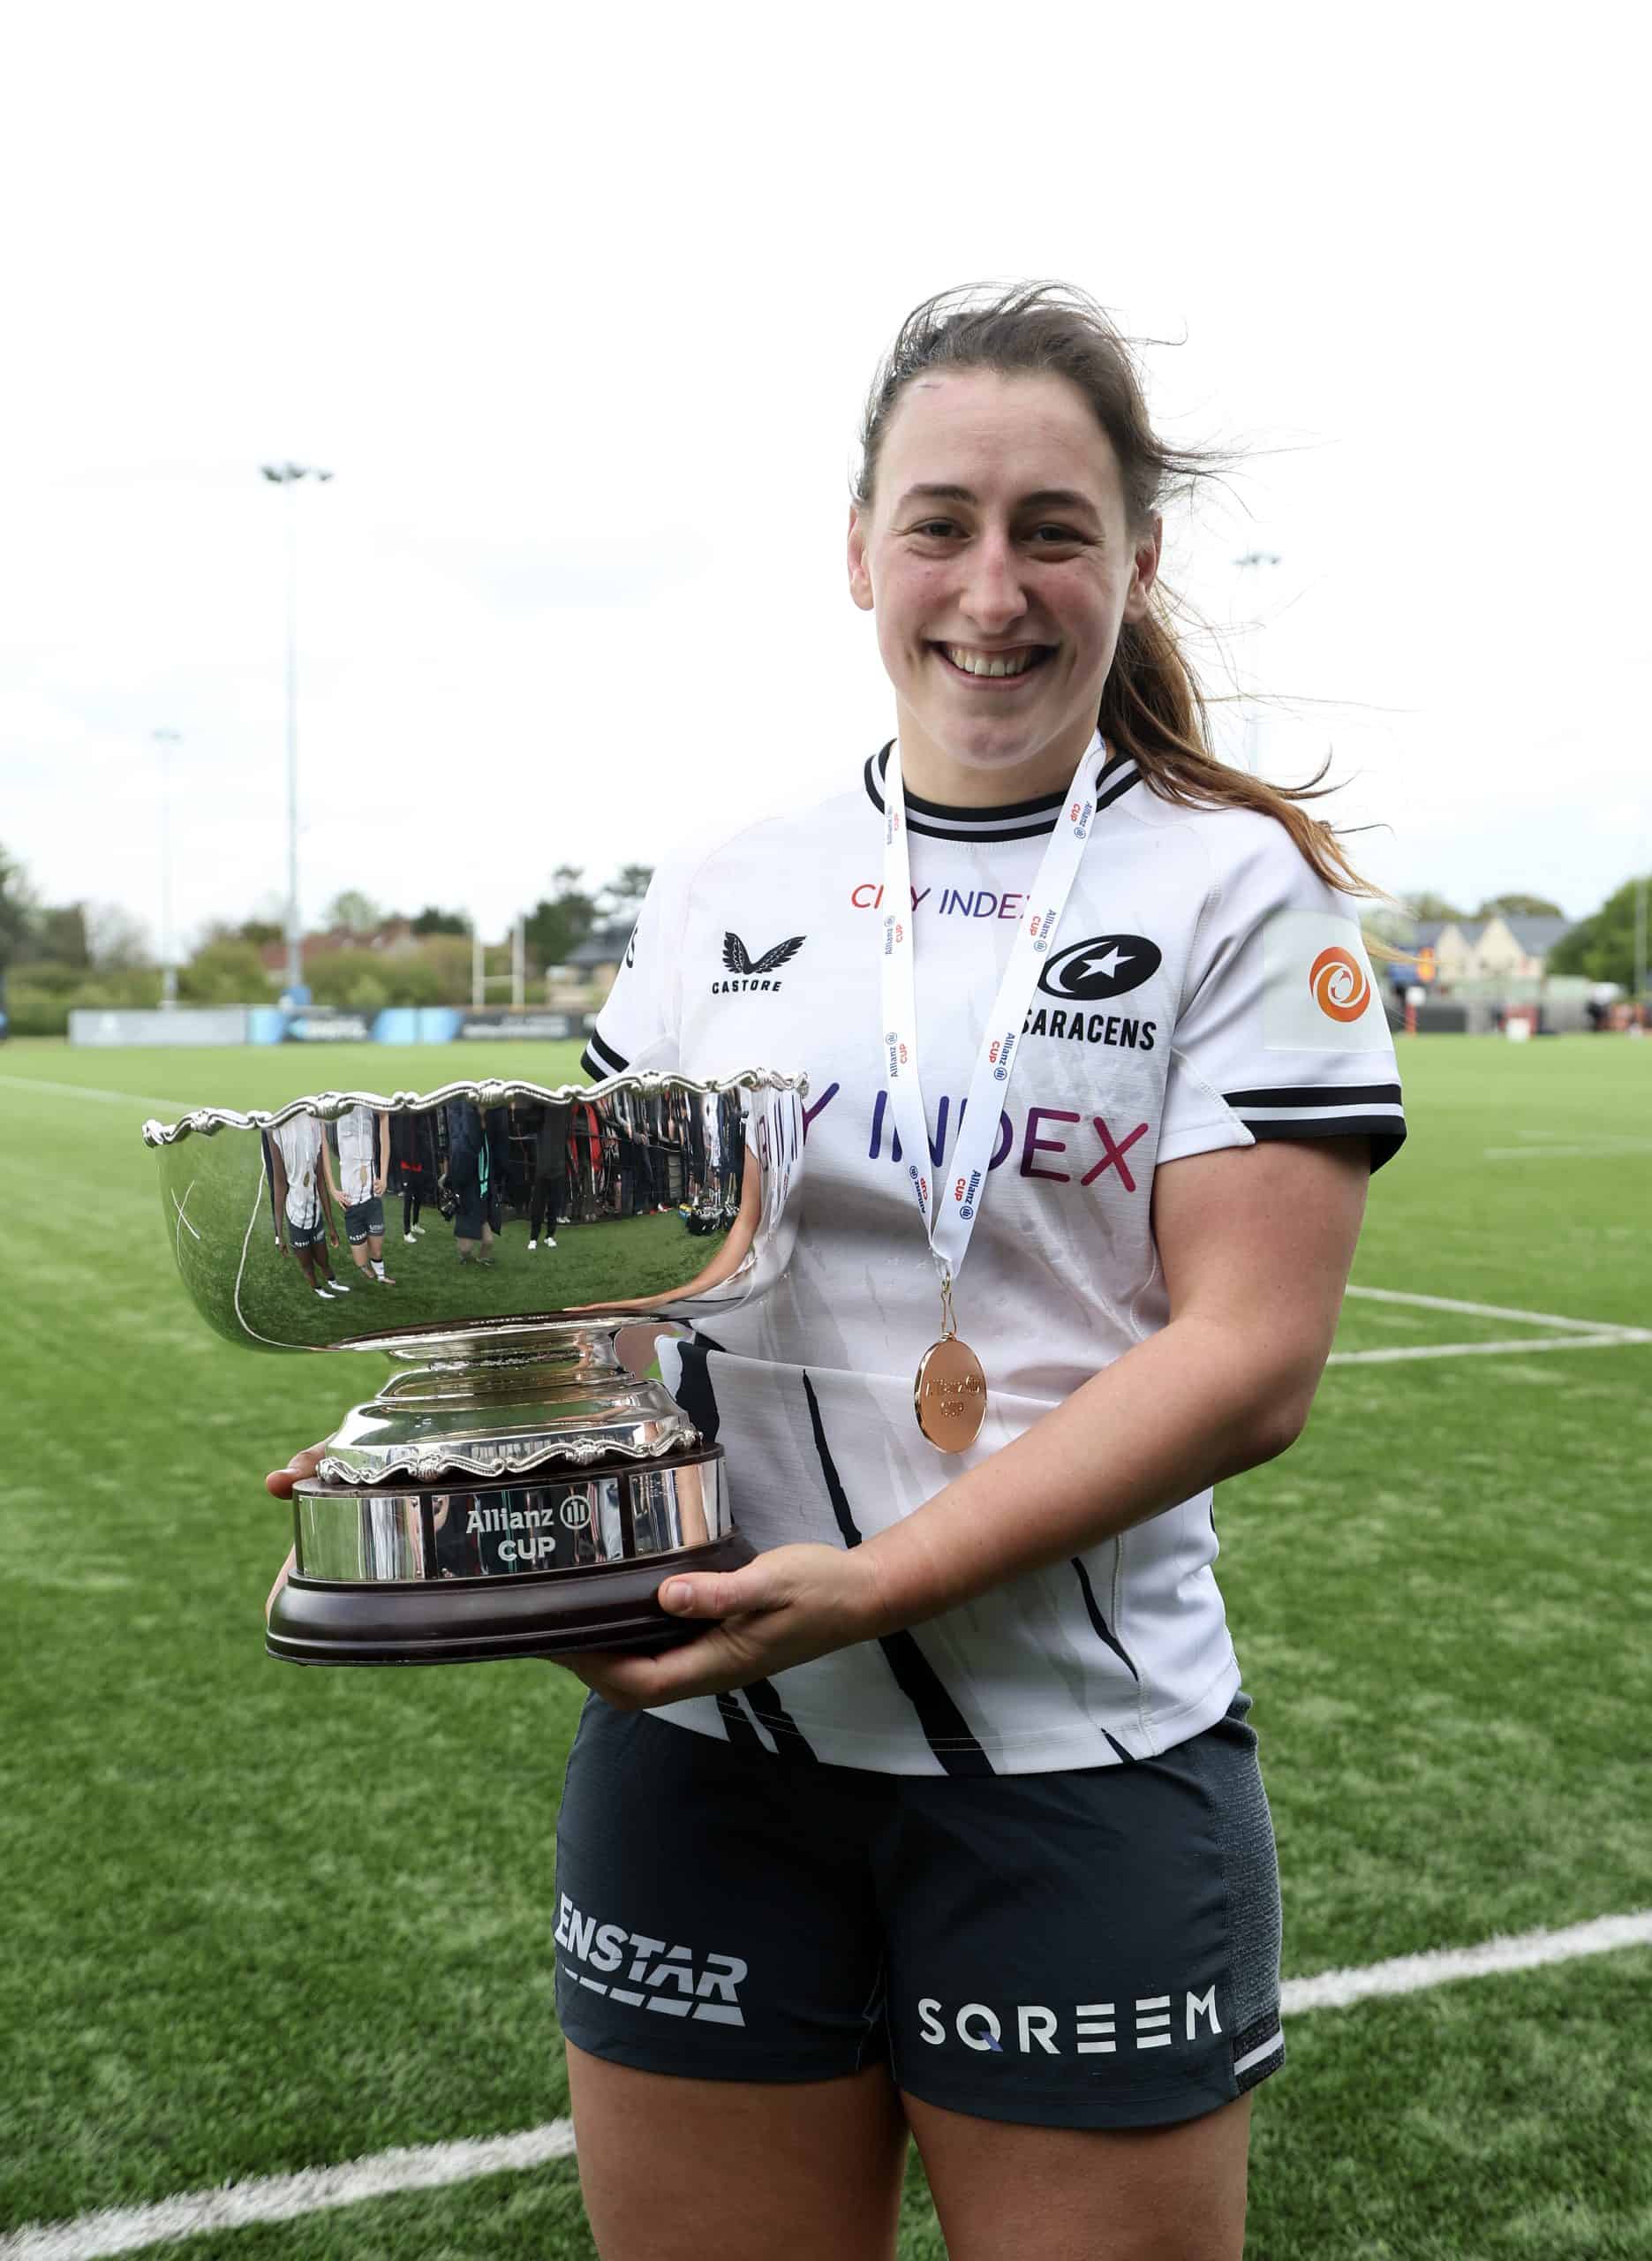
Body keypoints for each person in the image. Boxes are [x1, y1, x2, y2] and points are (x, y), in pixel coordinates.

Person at [269, 283, 1405, 2261]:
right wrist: (451, 1471)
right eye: (937, 521)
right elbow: (607, 1284)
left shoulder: (1235, 886)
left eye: (1050, 528)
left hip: (1067, 1759)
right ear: (856, 551)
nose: (990, 585)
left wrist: (872, 1584)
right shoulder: (729, 882)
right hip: (708, 1754)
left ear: (1133, 564)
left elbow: (1247, 1358)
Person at [322, 1102, 395, 1285]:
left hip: (372, 1197)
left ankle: (381, 1274)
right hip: (351, 1202)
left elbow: (385, 1120)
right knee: (360, 1261)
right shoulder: (337, 1101)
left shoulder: (369, 1097)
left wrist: (384, 1177)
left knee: (377, 1252)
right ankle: (365, 1266)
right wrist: (332, 1189)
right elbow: (323, 1140)